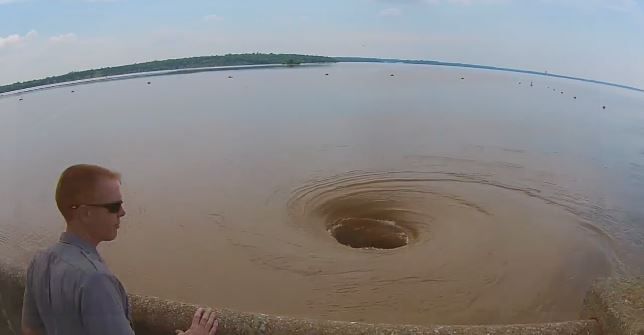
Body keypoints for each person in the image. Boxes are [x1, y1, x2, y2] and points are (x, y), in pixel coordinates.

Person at [21, 164, 218, 335]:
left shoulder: (39, 261)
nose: (122, 213)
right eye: (114, 207)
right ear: (86, 213)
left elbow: (31, 330)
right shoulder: (95, 280)